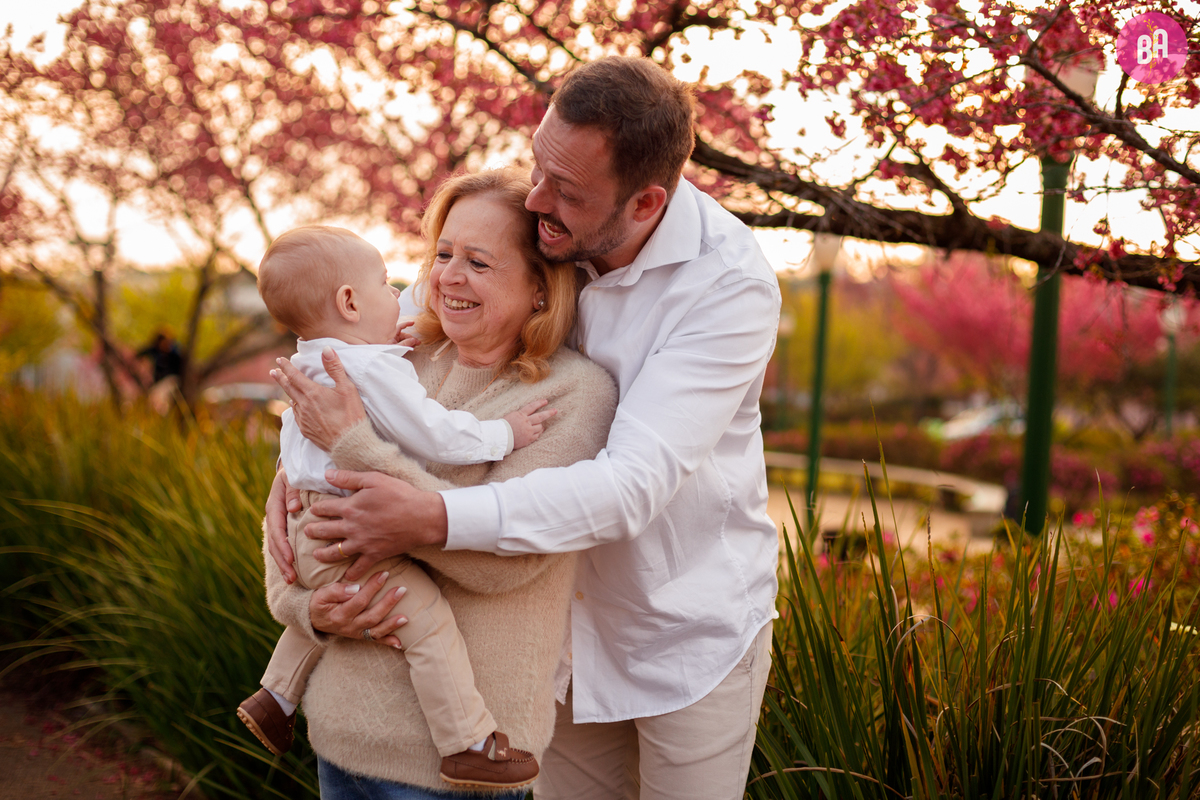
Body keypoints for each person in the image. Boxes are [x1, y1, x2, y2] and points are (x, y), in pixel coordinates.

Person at [270, 57, 782, 799]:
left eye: (565, 189)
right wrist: (297, 472)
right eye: (539, 165)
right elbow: (368, 348)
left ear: (645, 204)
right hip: (549, 639)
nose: (536, 196)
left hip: (676, 626)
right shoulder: (541, 223)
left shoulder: (726, 286)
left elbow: (629, 486)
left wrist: (431, 515)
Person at [263, 170, 618, 798]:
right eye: (444, 254)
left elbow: (504, 564)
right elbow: (304, 513)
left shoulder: (571, 395)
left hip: (451, 772)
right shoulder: (388, 359)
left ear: (540, 287)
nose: (447, 277)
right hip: (339, 736)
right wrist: (305, 609)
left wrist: (352, 444)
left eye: (478, 262)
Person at [241, 224, 555, 789]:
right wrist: (505, 433)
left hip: (313, 526)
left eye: (479, 262)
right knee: (426, 621)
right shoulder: (370, 369)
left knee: (348, 591)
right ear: (350, 303)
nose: (404, 294)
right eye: (387, 284)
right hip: (347, 530)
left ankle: (275, 696)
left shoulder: (313, 361)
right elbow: (435, 434)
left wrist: (383, 352)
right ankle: (467, 742)